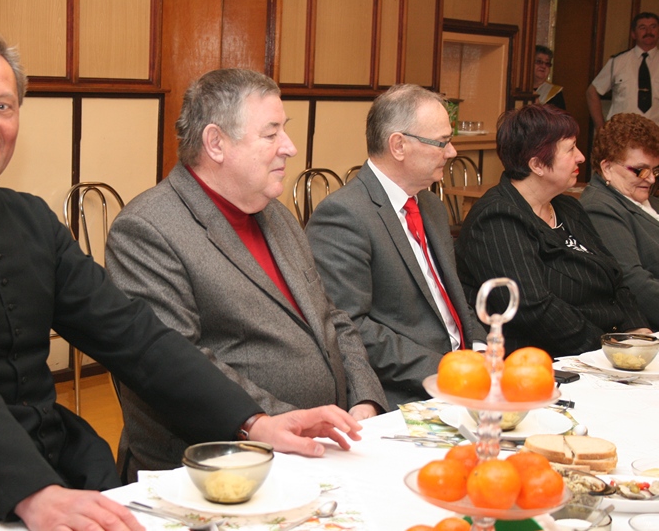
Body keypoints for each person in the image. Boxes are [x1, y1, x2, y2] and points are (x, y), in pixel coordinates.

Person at [0, 32, 366, 531]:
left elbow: (133, 335)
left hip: (57, 465)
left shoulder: (30, 219)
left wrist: (253, 422)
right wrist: (32, 492)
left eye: (4, 106)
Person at [105, 68, 388, 483]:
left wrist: (365, 400)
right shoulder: (148, 230)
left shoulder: (277, 216)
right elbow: (175, 362)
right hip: (218, 470)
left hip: (321, 451)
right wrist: (278, 422)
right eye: (271, 134)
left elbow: (332, 318)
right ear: (216, 143)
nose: (289, 147)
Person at [305, 84, 487, 408]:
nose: (451, 152)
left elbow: (454, 302)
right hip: (408, 393)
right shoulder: (344, 215)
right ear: (399, 146)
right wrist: (449, 371)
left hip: (468, 379)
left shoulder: (431, 206)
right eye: (442, 142)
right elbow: (350, 328)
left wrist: (484, 352)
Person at [455, 103, 651, 357]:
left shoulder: (567, 207)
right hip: (545, 360)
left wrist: (638, 331)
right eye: (570, 149)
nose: (581, 157)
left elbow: (616, 280)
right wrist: (609, 347)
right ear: (537, 164)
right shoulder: (496, 218)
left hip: (610, 350)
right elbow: (533, 308)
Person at [580, 113, 659, 329]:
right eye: (641, 170)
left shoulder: (648, 201)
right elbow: (633, 281)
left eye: (655, 170)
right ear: (607, 168)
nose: (651, 179)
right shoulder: (600, 207)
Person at [587, 12, 659, 130]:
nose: (648, 31)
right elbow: (592, 92)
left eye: (653, 27)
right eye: (642, 27)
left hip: (655, 134)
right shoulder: (617, 61)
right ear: (633, 34)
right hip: (621, 133)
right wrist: (601, 129)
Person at [534, 45, 566, 110]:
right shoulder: (519, 90)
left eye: (547, 63)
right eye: (539, 61)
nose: (543, 66)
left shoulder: (555, 93)